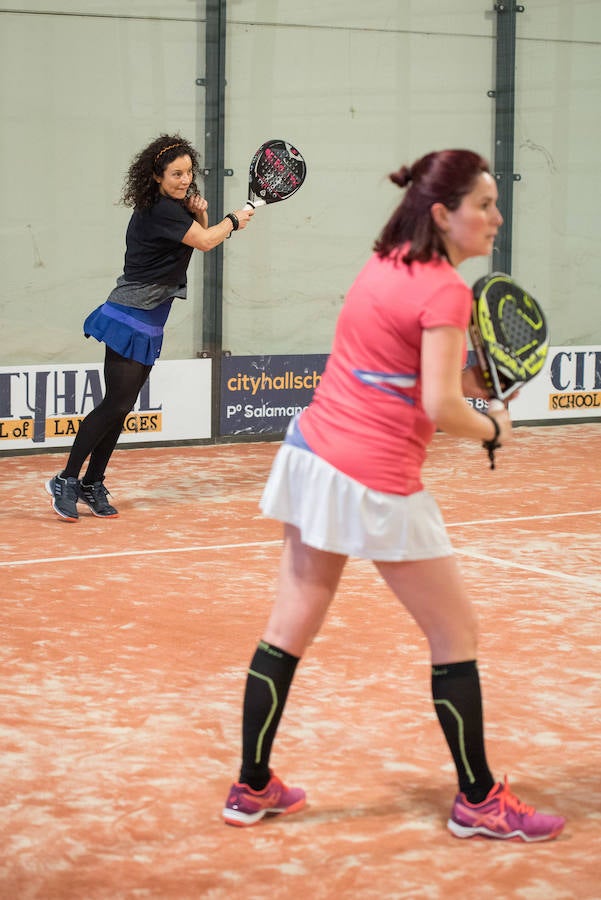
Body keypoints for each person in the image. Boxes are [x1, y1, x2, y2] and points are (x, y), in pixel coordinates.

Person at [222, 149, 565, 842]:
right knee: (454, 633)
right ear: (442, 214)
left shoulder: (384, 264)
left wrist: (475, 388)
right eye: (484, 205)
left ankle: (250, 786)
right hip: (373, 479)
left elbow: (408, 374)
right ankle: (477, 800)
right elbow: (441, 405)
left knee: (287, 629)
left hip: (312, 456)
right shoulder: (445, 290)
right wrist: (492, 427)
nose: (495, 219)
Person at [46, 133, 253, 521]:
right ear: (157, 175)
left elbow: (195, 240)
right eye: (176, 173)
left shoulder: (172, 209)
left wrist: (205, 215)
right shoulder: (162, 210)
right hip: (128, 317)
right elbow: (207, 242)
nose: (184, 179)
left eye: (189, 172)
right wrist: (233, 220)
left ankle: (91, 483)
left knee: (121, 407)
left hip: (150, 319)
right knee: (115, 404)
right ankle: (66, 479)